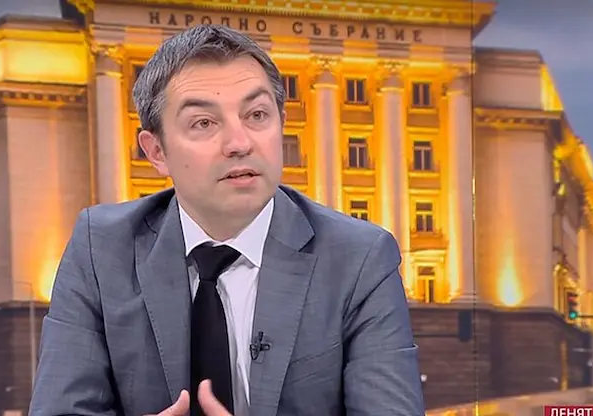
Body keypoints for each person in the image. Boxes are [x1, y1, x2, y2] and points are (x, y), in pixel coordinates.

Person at [29, 24, 425, 416]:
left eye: (257, 115)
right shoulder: (101, 250)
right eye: (204, 123)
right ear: (156, 151)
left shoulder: (360, 258)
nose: (240, 143)